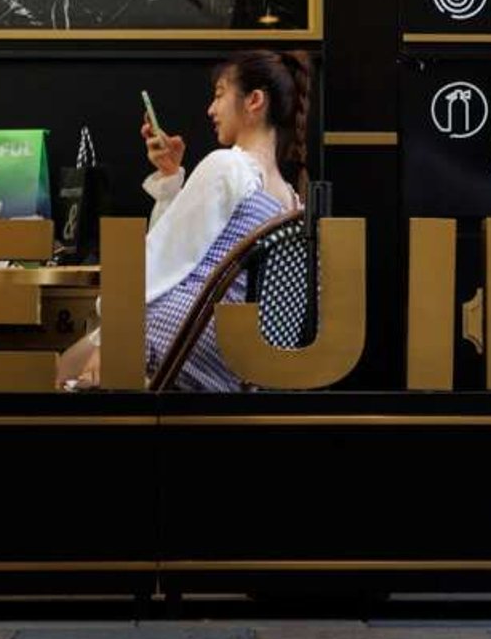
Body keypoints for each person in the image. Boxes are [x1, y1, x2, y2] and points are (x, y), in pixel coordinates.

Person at [58, 49, 311, 391]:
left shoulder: (229, 165)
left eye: (220, 94)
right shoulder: (291, 200)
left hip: (179, 340)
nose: (211, 109)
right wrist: (172, 177)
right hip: (232, 364)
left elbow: (160, 260)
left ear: (254, 101)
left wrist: (115, 337)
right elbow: (191, 256)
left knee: (54, 380)